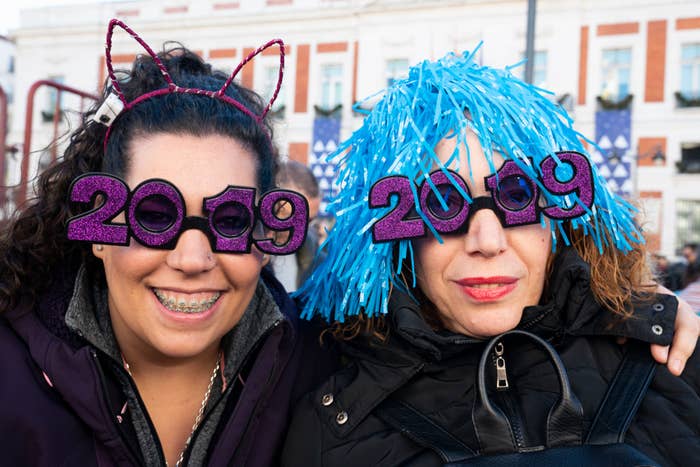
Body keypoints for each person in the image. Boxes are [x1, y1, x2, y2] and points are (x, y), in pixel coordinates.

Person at [282, 49, 700, 465]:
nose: (487, 239)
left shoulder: (673, 360)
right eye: (443, 200)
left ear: (562, 216)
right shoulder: (331, 423)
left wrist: (640, 309)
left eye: (518, 194)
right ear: (394, 232)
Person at [0, 19, 329, 466]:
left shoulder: (328, 381)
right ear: (99, 228)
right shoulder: (11, 376)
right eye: (154, 215)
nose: (192, 259)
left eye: (231, 219)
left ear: (265, 235)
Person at [273, 160, 322, 291]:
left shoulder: (315, 257)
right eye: (294, 218)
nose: (302, 228)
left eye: (309, 220)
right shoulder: (245, 256)